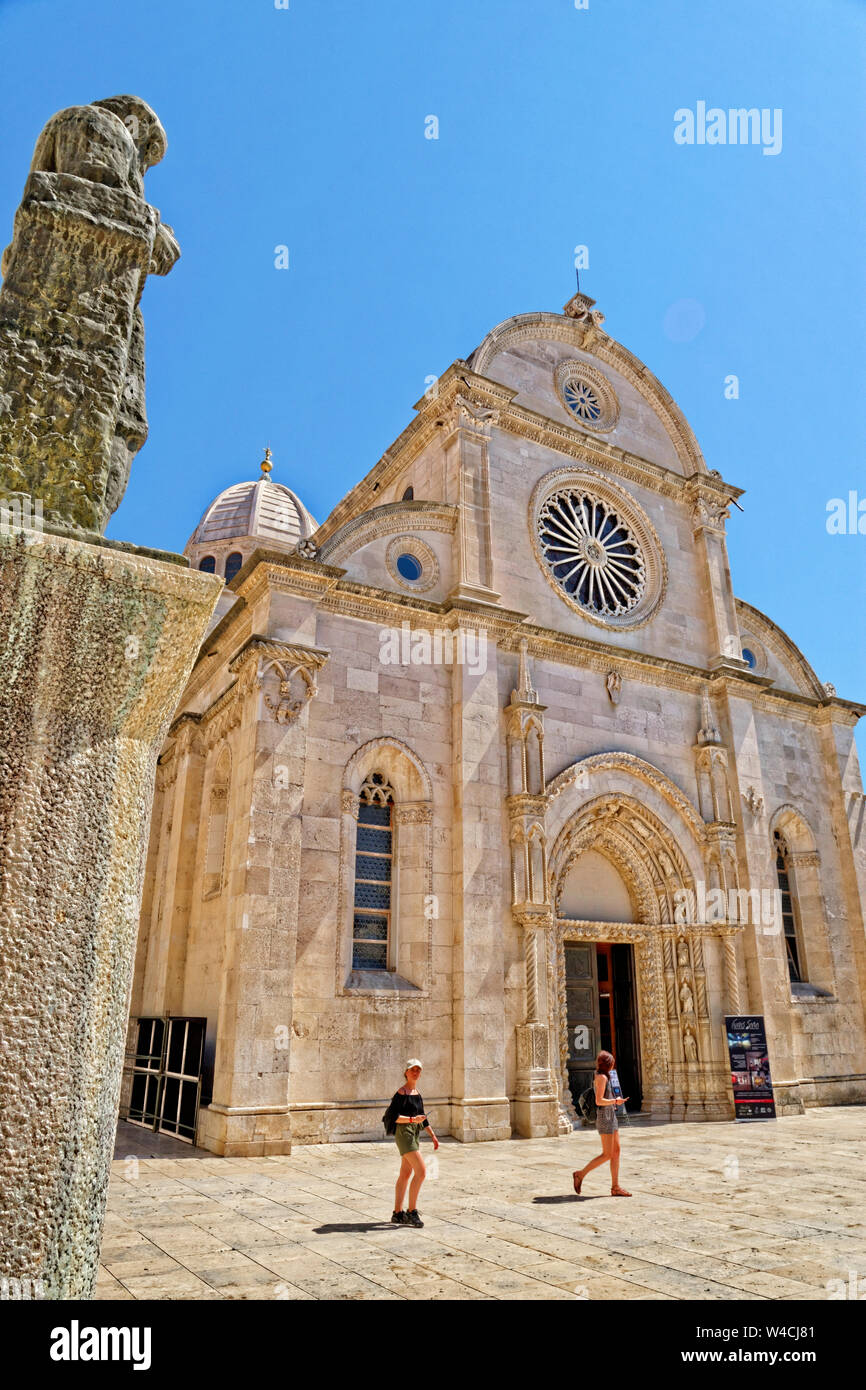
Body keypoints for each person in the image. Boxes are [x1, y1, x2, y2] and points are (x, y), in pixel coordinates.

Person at [383, 1058, 439, 1227]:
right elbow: (393, 1118)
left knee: (405, 1174)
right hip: (404, 1134)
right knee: (421, 1171)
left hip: (414, 1134)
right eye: (412, 1070)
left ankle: (397, 1213)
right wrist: (413, 1119)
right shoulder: (401, 1094)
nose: (415, 1072)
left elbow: (423, 1118)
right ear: (406, 1072)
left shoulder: (417, 1094)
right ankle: (411, 1211)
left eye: (418, 1070)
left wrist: (433, 1136)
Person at [572, 1050, 631, 1197]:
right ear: (607, 1064)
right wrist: (615, 1101)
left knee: (616, 1152)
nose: (613, 1065)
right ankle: (580, 1174)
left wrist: (613, 1101)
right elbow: (599, 1101)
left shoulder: (605, 1076)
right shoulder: (601, 1077)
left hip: (611, 1115)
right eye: (611, 1063)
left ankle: (615, 1187)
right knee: (607, 1154)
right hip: (605, 1117)